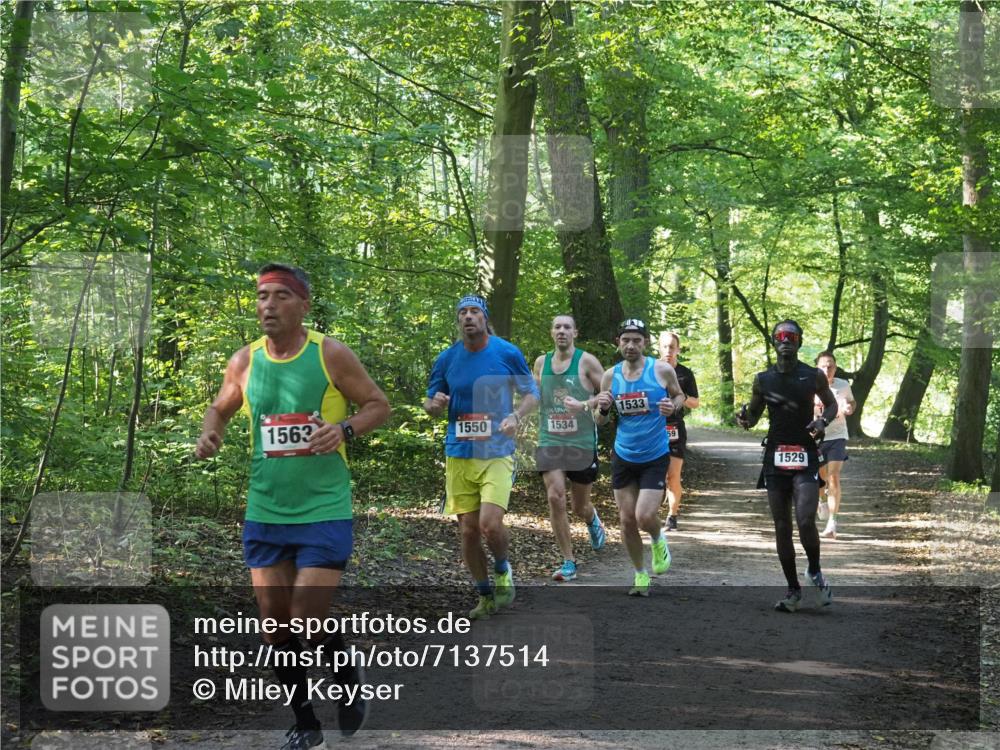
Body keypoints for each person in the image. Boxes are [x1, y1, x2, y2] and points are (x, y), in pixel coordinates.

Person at [195, 263, 391, 748]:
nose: (268, 305)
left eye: (281, 296)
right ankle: (306, 724)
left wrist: (344, 429)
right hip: (265, 511)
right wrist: (211, 430)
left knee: (306, 615)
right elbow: (221, 406)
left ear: (303, 305)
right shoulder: (245, 361)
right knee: (274, 626)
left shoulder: (330, 354)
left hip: (324, 508)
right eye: (263, 297)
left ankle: (346, 682)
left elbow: (377, 405)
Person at [423, 295, 539, 619]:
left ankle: (502, 568)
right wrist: (435, 406)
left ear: (485, 318)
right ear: (458, 321)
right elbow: (430, 403)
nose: (469, 317)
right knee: (468, 531)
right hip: (459, 452)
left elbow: (533, 393)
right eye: (463, 313)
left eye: (475, 311)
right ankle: (484, 594)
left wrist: (516, 415)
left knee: (489, 524)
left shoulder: (506, 353)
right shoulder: (447, 359)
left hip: (496, 451)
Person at [737, 320, 838, 613]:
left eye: (791, 336)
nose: (785, 340)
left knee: (805, 519)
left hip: (805, 454)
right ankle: (793, 590)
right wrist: (744, 418)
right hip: (775, 457)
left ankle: (815, 572)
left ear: (799, 341)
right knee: (782, 526)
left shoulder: (813, 375)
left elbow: (830, 405)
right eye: (780, 336)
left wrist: (822, 421)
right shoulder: (763, 379)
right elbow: (753, 416)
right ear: (773, 342)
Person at [595, 319, 686, 596]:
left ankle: (658, 539)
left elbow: (680, 396)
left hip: (655, 454)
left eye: (636, 340)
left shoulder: (661, 369)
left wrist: (673, 406)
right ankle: (640, 575)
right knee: (625, 520)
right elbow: (598, 421)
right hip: (624, 455)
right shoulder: (611, 376)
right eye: (626, 340)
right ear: (618, 343)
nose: (631, 345)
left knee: (644, 516)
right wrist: (604, 409)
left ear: (645, 343)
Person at [533, 314, 607, 582]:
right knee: (555, 496)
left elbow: (608, 394)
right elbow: (535, 396)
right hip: (550, 439)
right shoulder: (541, 363)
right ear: (551, 332)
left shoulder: (586, 362)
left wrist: (585, 404)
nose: (562, 331)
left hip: (581, 442)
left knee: (579, 506)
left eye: (567, 327)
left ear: (575, 332)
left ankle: (592, 519)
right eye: (557, 327)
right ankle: (568, 561)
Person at [657, 331, 701, 531]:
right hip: (651, 428)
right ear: (659, 348)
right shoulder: (651, 370)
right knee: (654, 474)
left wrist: (681, 397)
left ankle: (672, 517)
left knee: (672, 476)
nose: (668, 351)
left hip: (674, 428)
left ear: (678, 350)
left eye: (672, 347)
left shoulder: (685, 373)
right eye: (665, 346)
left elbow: (696, 403)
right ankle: (650, 507)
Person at [814, 351, 856, 539]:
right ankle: (821, 499)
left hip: (838, 435)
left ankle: (833, 521)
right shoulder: (810, 386)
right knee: (820, 478)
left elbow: (852, 402)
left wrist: (849, 407)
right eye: (823, 365)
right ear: (817, 368)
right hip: (817, 438)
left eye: (830, 365)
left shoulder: (843, 385)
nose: (827, 369)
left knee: (834, 476)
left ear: (836, 368)